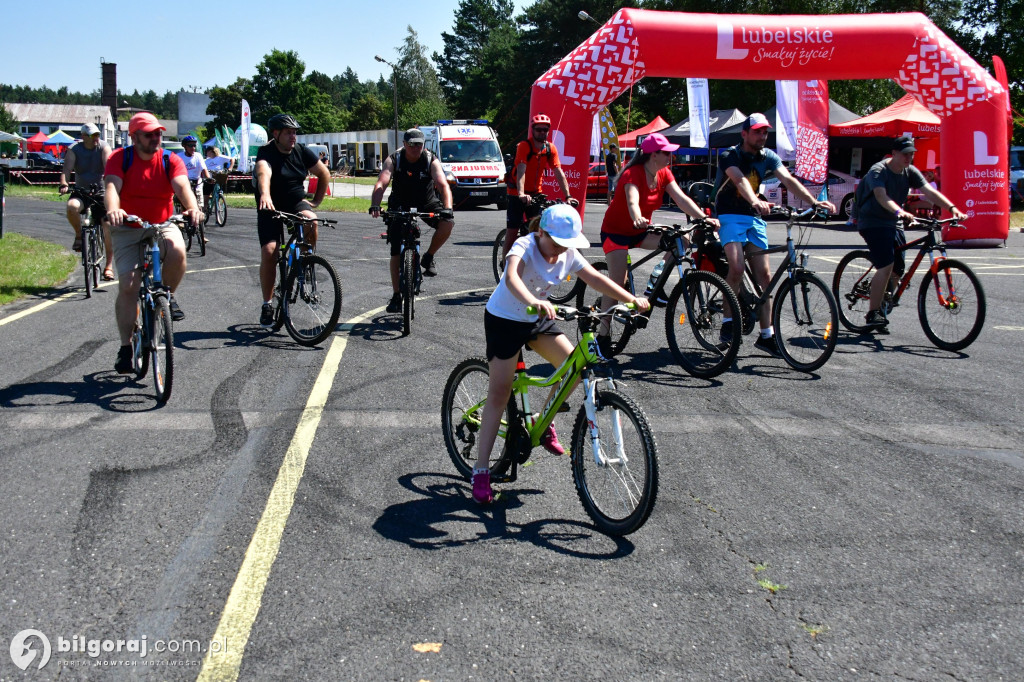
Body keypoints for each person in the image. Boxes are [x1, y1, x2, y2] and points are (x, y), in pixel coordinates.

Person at [469, 204, 651, 504]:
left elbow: (596, 278)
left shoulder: (567, 252)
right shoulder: (525, 245)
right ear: (540, 232)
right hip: (505, 318)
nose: (560, 251)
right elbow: (512, 277)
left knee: (574, 368)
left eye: (566, 245)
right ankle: (480, 470)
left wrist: (631, 299)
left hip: (537, 317)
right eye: (555, 243)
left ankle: (545, 418)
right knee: (499, 394)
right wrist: (533, 300)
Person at [713, 113, 835, 355]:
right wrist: (754, 200)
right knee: (736, 268)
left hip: (754, 218)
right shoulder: (730, 155)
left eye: (765, 132)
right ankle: (727, 324)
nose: (762, 136)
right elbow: (739, 180)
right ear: (744, 134)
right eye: (757, 131)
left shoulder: (768, 156)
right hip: (729, 215)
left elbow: (788, 180)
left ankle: (767, 335)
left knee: (765, 278)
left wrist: (814, 201)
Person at [596, 132, 719, 354]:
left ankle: (657, 287)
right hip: (616, 232)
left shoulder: (664, 173)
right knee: (615, 284)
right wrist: (636, 216)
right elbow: (632, 199)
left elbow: (682, 199)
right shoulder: (633, 173)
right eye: (666, 152)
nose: (670, 155)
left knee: (682, 239)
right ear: (653, 155)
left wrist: (703, 218)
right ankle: (602, 335)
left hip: (641, 231)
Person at [104, 112, 202, 373]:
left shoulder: (170, 159)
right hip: (129, 225)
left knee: (178, 251)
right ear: (133, 137)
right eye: (149, 134)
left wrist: (192, 208)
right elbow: (112, 188)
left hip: (161, 223)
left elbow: (182, 187)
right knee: (128, 285)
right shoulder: (119, 158)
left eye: (158, 133)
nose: (156, 138)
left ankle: (166, 299)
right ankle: (126, 347)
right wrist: (114, 209)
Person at [855, 137, 966, 331]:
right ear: (894, 153)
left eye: (911, 154)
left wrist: (952, 208)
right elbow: (881, 196)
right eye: (905, 153)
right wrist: (901, 212)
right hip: (872, 221)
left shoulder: (910, 171)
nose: (909, 157)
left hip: (894, 221)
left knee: (898, 267)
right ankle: (873, 312)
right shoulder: (878, 171)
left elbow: (929, 193)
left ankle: (883, 303)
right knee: (886, 264)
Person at [254, 113, 332, 327]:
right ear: (276, 134)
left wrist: (316, 201)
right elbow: (263, 172)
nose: (293, 137)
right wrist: (266, 195)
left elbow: (323, 173)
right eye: (288, 132)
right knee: (270, 251)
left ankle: (305, 262)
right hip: (269, 205)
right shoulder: (266, 153)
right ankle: (267, 304)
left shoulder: (301, 151)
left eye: (295, 132)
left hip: (295, 201)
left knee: (311, 219)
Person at [369, 128, 455, 313]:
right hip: (400, 203)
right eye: (411, 144)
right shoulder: (395, 159)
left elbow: (442, 185)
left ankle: (428, 256)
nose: (415, 148)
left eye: (419, 144)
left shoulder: (430, 159)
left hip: (427, 201)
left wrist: (447, 209)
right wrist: (375, 204)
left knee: (448, 223)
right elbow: (382, 182)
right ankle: (396, 295)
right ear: (404, 144)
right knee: (395, 251)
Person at [502, 113, 580, 259]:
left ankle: (533, 259)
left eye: (545, 130)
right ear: (533, 130)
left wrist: (568, 196)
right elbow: (521, 171)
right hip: (516, 193)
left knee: (538, 228)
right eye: (539, 129)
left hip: (536, 192)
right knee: (512, 230)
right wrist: (520, 193)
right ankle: (505, 265)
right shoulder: (524, 146)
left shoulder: (550, 148)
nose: (542, 132)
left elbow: (558, 172)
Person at [59, 122, 114, 280]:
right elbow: (66, 170)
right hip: (81, 192)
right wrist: (64, 183)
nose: (97, 138)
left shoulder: (104, 147)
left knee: (108, 226)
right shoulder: (74, 150)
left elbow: (108, 164)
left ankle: (109, 266)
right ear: (83, 137)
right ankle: (78, 235)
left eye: (98, 134)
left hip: (101, 192)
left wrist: (109, 179)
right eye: (93, 135)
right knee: (71, 207)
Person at [175, 135, 211, 225]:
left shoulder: (198, 156)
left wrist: (208, 178)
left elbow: (204, 169)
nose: (193, 148)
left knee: (199, 206)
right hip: (185, 181)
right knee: (184, 202)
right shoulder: (179, 156)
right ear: (184, 146)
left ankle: (201, 232)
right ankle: (182, 221)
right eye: (190, 145)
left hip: (197, 182)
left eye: (194, 145)